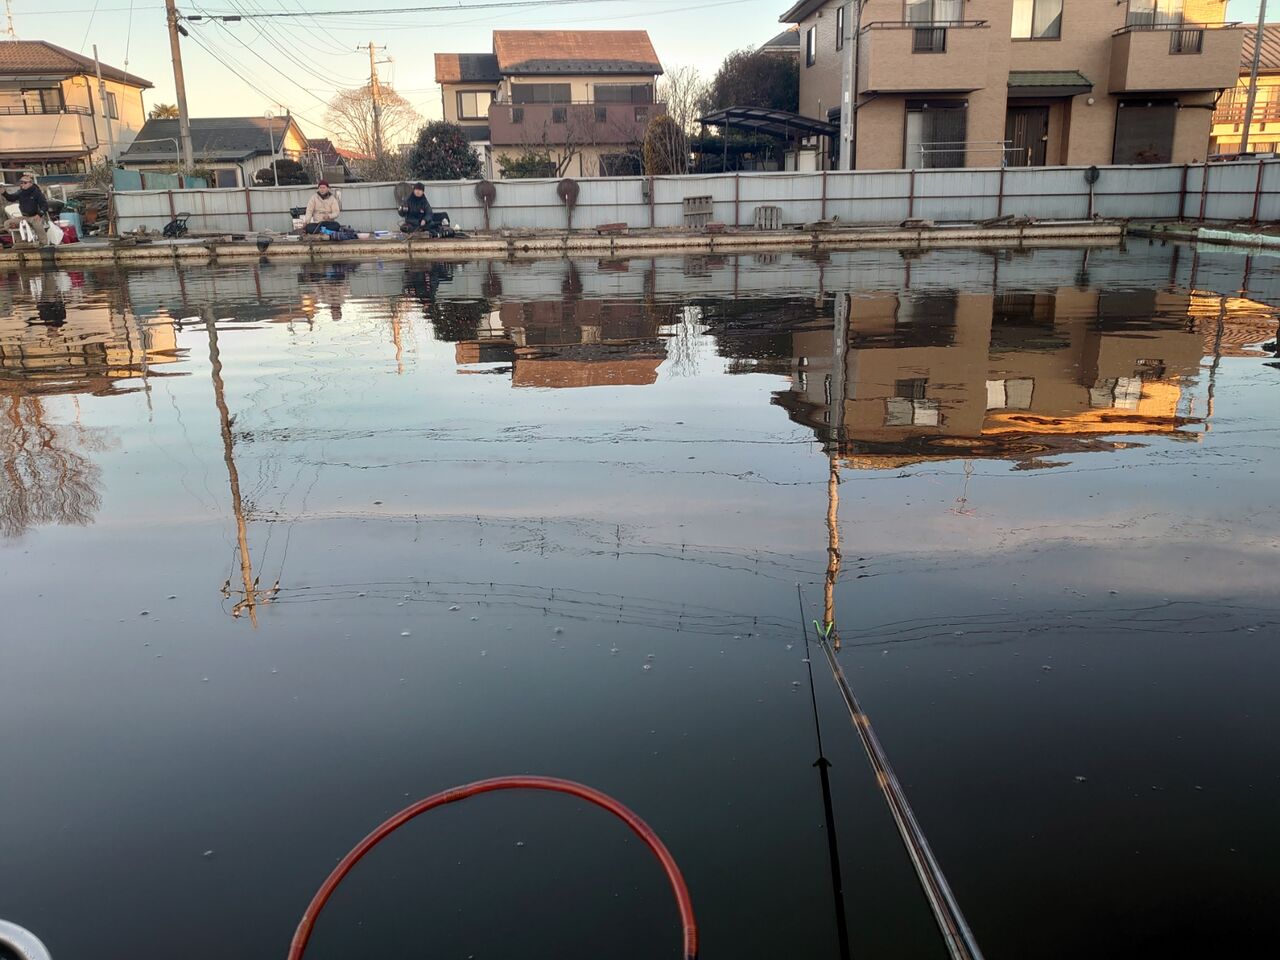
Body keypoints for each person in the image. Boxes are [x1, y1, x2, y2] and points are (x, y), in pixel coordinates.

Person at [4, 173, 50, 244]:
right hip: (24, 217)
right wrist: (4, 193)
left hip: (35, 216)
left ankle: (44, 243)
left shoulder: (37, 193)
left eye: (25, 183)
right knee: (7, 224)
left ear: (31, 183)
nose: (22, 184)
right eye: (21, 182)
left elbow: (45, 206)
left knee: (37, 225)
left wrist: (39, 214)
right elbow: (11, 198)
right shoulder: (20, 192)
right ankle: (21, 242)